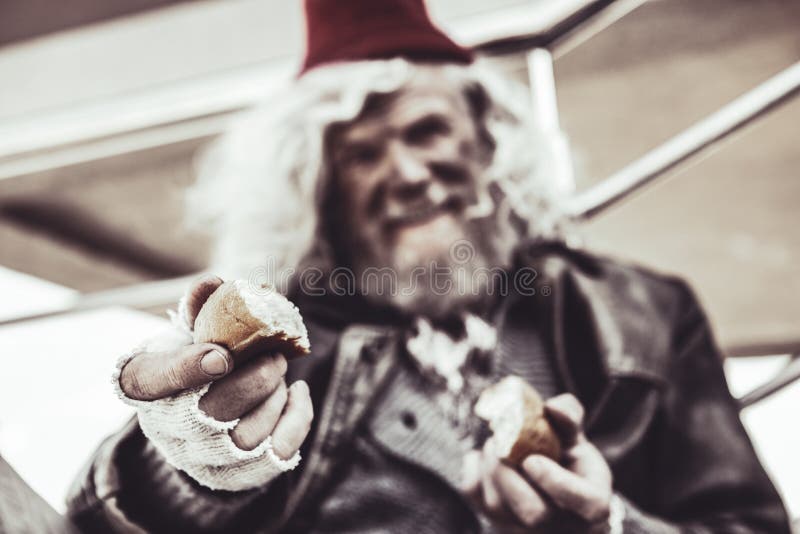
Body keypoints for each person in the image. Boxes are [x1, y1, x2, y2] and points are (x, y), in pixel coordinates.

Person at [67, 0, 790, 532]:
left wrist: (613, 525)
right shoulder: (284, 343)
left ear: (488, 148)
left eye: (427, 131)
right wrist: (194, 459)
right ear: (322, 193)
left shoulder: (646, 312)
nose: (407, 173)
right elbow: (103, 521)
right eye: (362, 153)